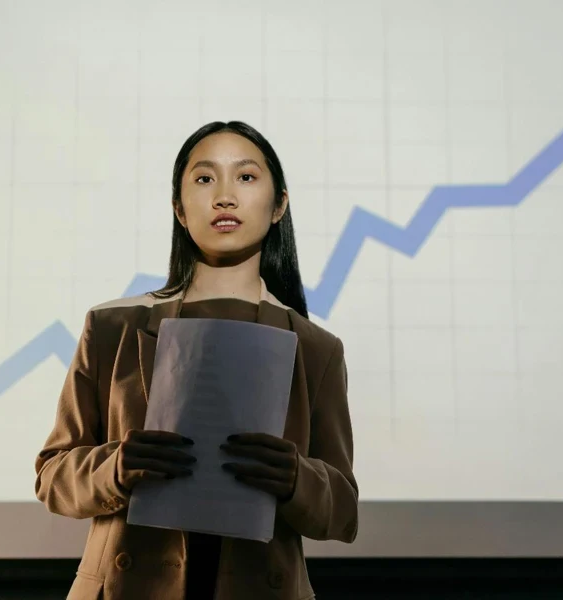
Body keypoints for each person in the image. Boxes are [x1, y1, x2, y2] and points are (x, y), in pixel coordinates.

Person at [34, 120, 359, 599]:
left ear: (279, 205)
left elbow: (345, 512)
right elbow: (52, 475)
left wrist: (296, 478)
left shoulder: (316, 348)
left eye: (246, 177)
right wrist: (116, 466)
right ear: (179, 210)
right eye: (204, 179)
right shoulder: (111, 328)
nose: (224, 197)